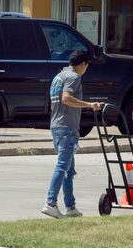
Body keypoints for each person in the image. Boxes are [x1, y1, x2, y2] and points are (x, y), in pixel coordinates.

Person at [42, 49, 101, 219]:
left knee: (68, 170)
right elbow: (67, 98)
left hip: (57, 127)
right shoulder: (74, 77)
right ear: (83, 64)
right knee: (62, 166)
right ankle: (50, 203)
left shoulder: (58, 77)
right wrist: (89, 105)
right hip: (67, 128)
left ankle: (70, 207)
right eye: (86, 67)